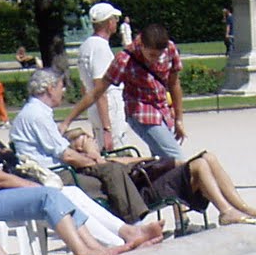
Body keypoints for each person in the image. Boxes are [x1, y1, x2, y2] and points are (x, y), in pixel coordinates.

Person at [0, 75, 158, 255]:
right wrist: (33, 186)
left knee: (69, 192)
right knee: (48, 195)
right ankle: (84, 251)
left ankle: (119, 237)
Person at [13, 69, 256, 224]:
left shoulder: (38, 115)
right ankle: (226, 211)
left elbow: (66, 151)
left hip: (139, 172)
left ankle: (238, 207)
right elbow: (66, 154)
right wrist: (94, 158)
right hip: (141, 183)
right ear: (49, 88)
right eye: (60, 86)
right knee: (199, 164)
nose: (63, 90)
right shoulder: (37, 115)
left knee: (206, 158)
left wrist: (96, 154)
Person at [62, 22, 187, 160]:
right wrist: (67, 121)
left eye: (159, 55)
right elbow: (97, 92)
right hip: (141, 112)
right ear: (142, 46)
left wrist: (179, 119)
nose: (155, 59)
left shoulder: (170, 49)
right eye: (152, 55)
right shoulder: (125, 59)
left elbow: (174, 84)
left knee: (163, 162)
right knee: (176, 158)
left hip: (162, 109)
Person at [77, 3, 129, 152]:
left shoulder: (85, 46)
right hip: (109, 109)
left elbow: (84, 85)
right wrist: (107, 128)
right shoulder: (100, 48)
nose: (116, 22)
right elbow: (100, 89)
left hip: (95, 108)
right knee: (118, 151)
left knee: (104, 150)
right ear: (109, 22)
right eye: (115, 19)